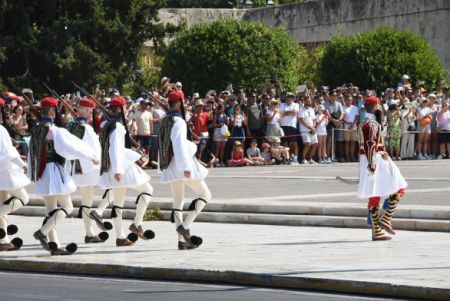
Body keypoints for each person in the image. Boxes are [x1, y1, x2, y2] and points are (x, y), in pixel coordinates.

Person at [31, 97, 99, 255]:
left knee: (51, 211)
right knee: (67, 207)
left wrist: (33, 173)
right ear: (53, 111)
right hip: (54, 171)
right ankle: (42, 232)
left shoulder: (35, 129)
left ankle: (54, 246)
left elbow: (31, 155)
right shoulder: (54, 131)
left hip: (41, 174)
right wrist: (90, 155)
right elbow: (71, 146)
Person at [96, 96, 155, 247]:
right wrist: (118, 170)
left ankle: (120, 237)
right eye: (123, 108)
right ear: (118, 109)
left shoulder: (107, 125)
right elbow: (115, 149)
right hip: (120, 167)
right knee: (147, 189)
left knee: (118, 203)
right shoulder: (117, 126)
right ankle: (137, 223)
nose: (126, 111)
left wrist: (134, 154)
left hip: (112, 167)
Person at [159, 90, 211, 250]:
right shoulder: (178, 122)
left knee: (178, 202)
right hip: (182, 165)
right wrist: (187, 167)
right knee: (205, 195)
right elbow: (179, 145)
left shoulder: (164, 121)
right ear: (179, 103)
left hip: (170, 165)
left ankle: (182, 241)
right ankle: (185, 225)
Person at [358, 96, 407, 241]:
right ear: (375, 107)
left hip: (369, 159)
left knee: (375, 194)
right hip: (377, 158)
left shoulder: (366, 122)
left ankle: (376, 231)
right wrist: (372, 163)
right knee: (400, 186)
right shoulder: (371, 123)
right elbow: (370, 144)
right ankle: (386, 218)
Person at [67, 98, 112, 243]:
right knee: (114, 188)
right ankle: (98, 212)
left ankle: (89, 233)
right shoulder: (86, 128)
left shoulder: (71, 126)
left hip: (76, 168)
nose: (91, 112)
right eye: (90, 110)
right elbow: (94, 149)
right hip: (89, 167)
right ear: (85, 110)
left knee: (86, 200)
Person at [0, 121, 30, 251]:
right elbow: (8, 152)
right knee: (23, 198)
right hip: (6, 172)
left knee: (3, 204)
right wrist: (22, 164)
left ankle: (3, 240)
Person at [298, 96, 318, 164]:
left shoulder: (311, 109)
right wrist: (310, 128)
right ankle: (303, 159)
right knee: (308, 144)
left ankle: (310, 159)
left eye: (309, 101)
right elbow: (301, 120)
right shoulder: (301, 109)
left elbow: (314, 120)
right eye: (307, 101)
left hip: (312, 129)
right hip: (304, 129)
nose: (308, 102)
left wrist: (313, 127)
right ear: (304, 101)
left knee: (315, 144)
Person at [280, 93, 299, 164]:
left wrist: (286, 113)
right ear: (285, 98)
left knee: (294, 143)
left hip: (292, 126)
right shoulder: (282, 104)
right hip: (283, 126)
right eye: (288, 97)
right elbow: (281, 113)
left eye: (291, 97)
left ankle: (295, 158)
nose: (289, 98)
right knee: (285, 143)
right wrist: (289, 112)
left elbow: (295, 113)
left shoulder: (296, 104)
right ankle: (286, 158)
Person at [342, 94, 359, 162]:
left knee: (353, 142)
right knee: (347, 143)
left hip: (354, 127)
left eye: (351, 100)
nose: (350, 101)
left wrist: (353, 124)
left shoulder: (355, 107)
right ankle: (347, 156)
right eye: (348, 100)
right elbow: (342, 118)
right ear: (345, 100)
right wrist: (348, 123)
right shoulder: (343, 108)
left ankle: (352, 156)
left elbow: (357, 116)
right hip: (346, 128)